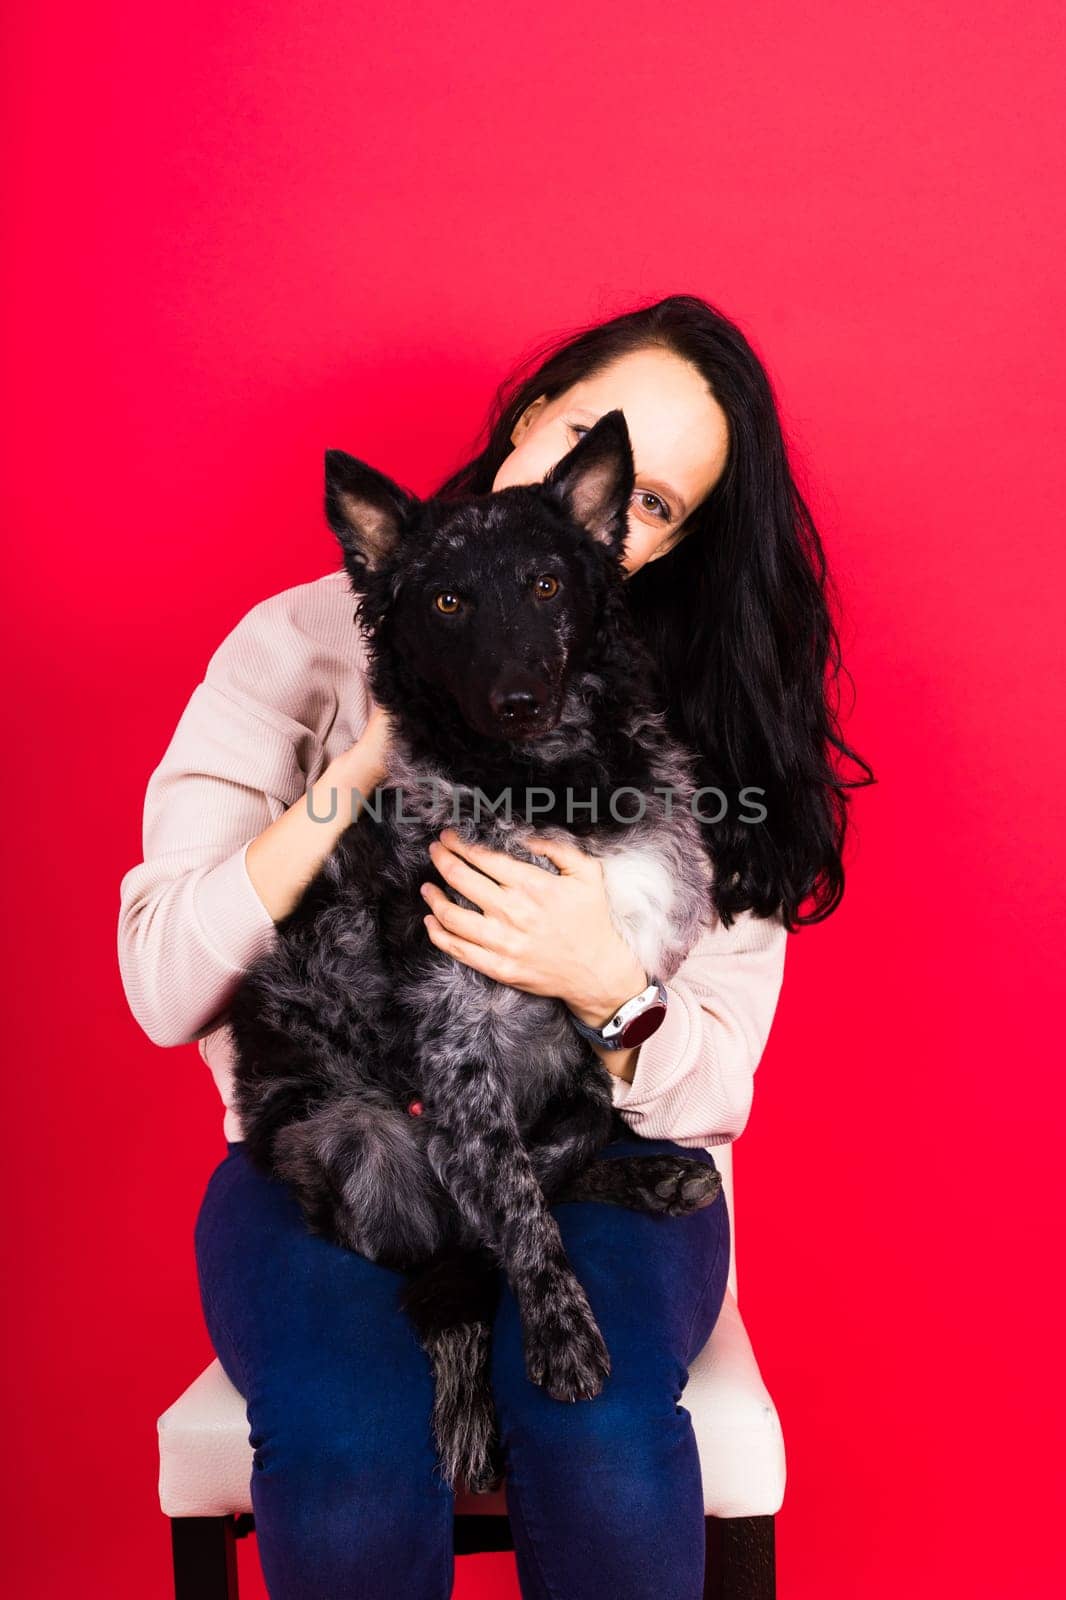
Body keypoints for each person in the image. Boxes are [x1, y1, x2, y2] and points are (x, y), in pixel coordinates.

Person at [118, 292, 872, 1599]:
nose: (610, 500)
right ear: (534, 421)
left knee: (593, 1426)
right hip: (340, 1144)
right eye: (589, 433)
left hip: (605, 1152)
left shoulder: (704, 720)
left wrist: (606, 983)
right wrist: (362, 767)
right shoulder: (291, 644)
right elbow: (163, 985)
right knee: (350, 1449)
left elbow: (714, 1086)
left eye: (653, 503)